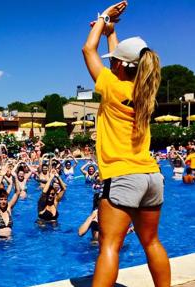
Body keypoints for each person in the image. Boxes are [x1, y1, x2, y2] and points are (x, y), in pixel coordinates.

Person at [82, 2, 170, 285]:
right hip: (152, 176)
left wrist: (103, 18)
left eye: (113, 61)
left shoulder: (111, 86)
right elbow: (116, 57)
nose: (110, 63)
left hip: (123, 176)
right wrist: (111, 33)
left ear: (119, 65)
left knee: (109, 246)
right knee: (152, 242)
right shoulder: (147, 91)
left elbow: (87, 50)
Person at [0, 170, 20, 238]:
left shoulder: (8, 207)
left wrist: (15, 177)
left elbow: (17, 193)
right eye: (1, 199)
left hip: (9, 242)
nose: (3, 201)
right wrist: (1, 177)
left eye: (5, 199)